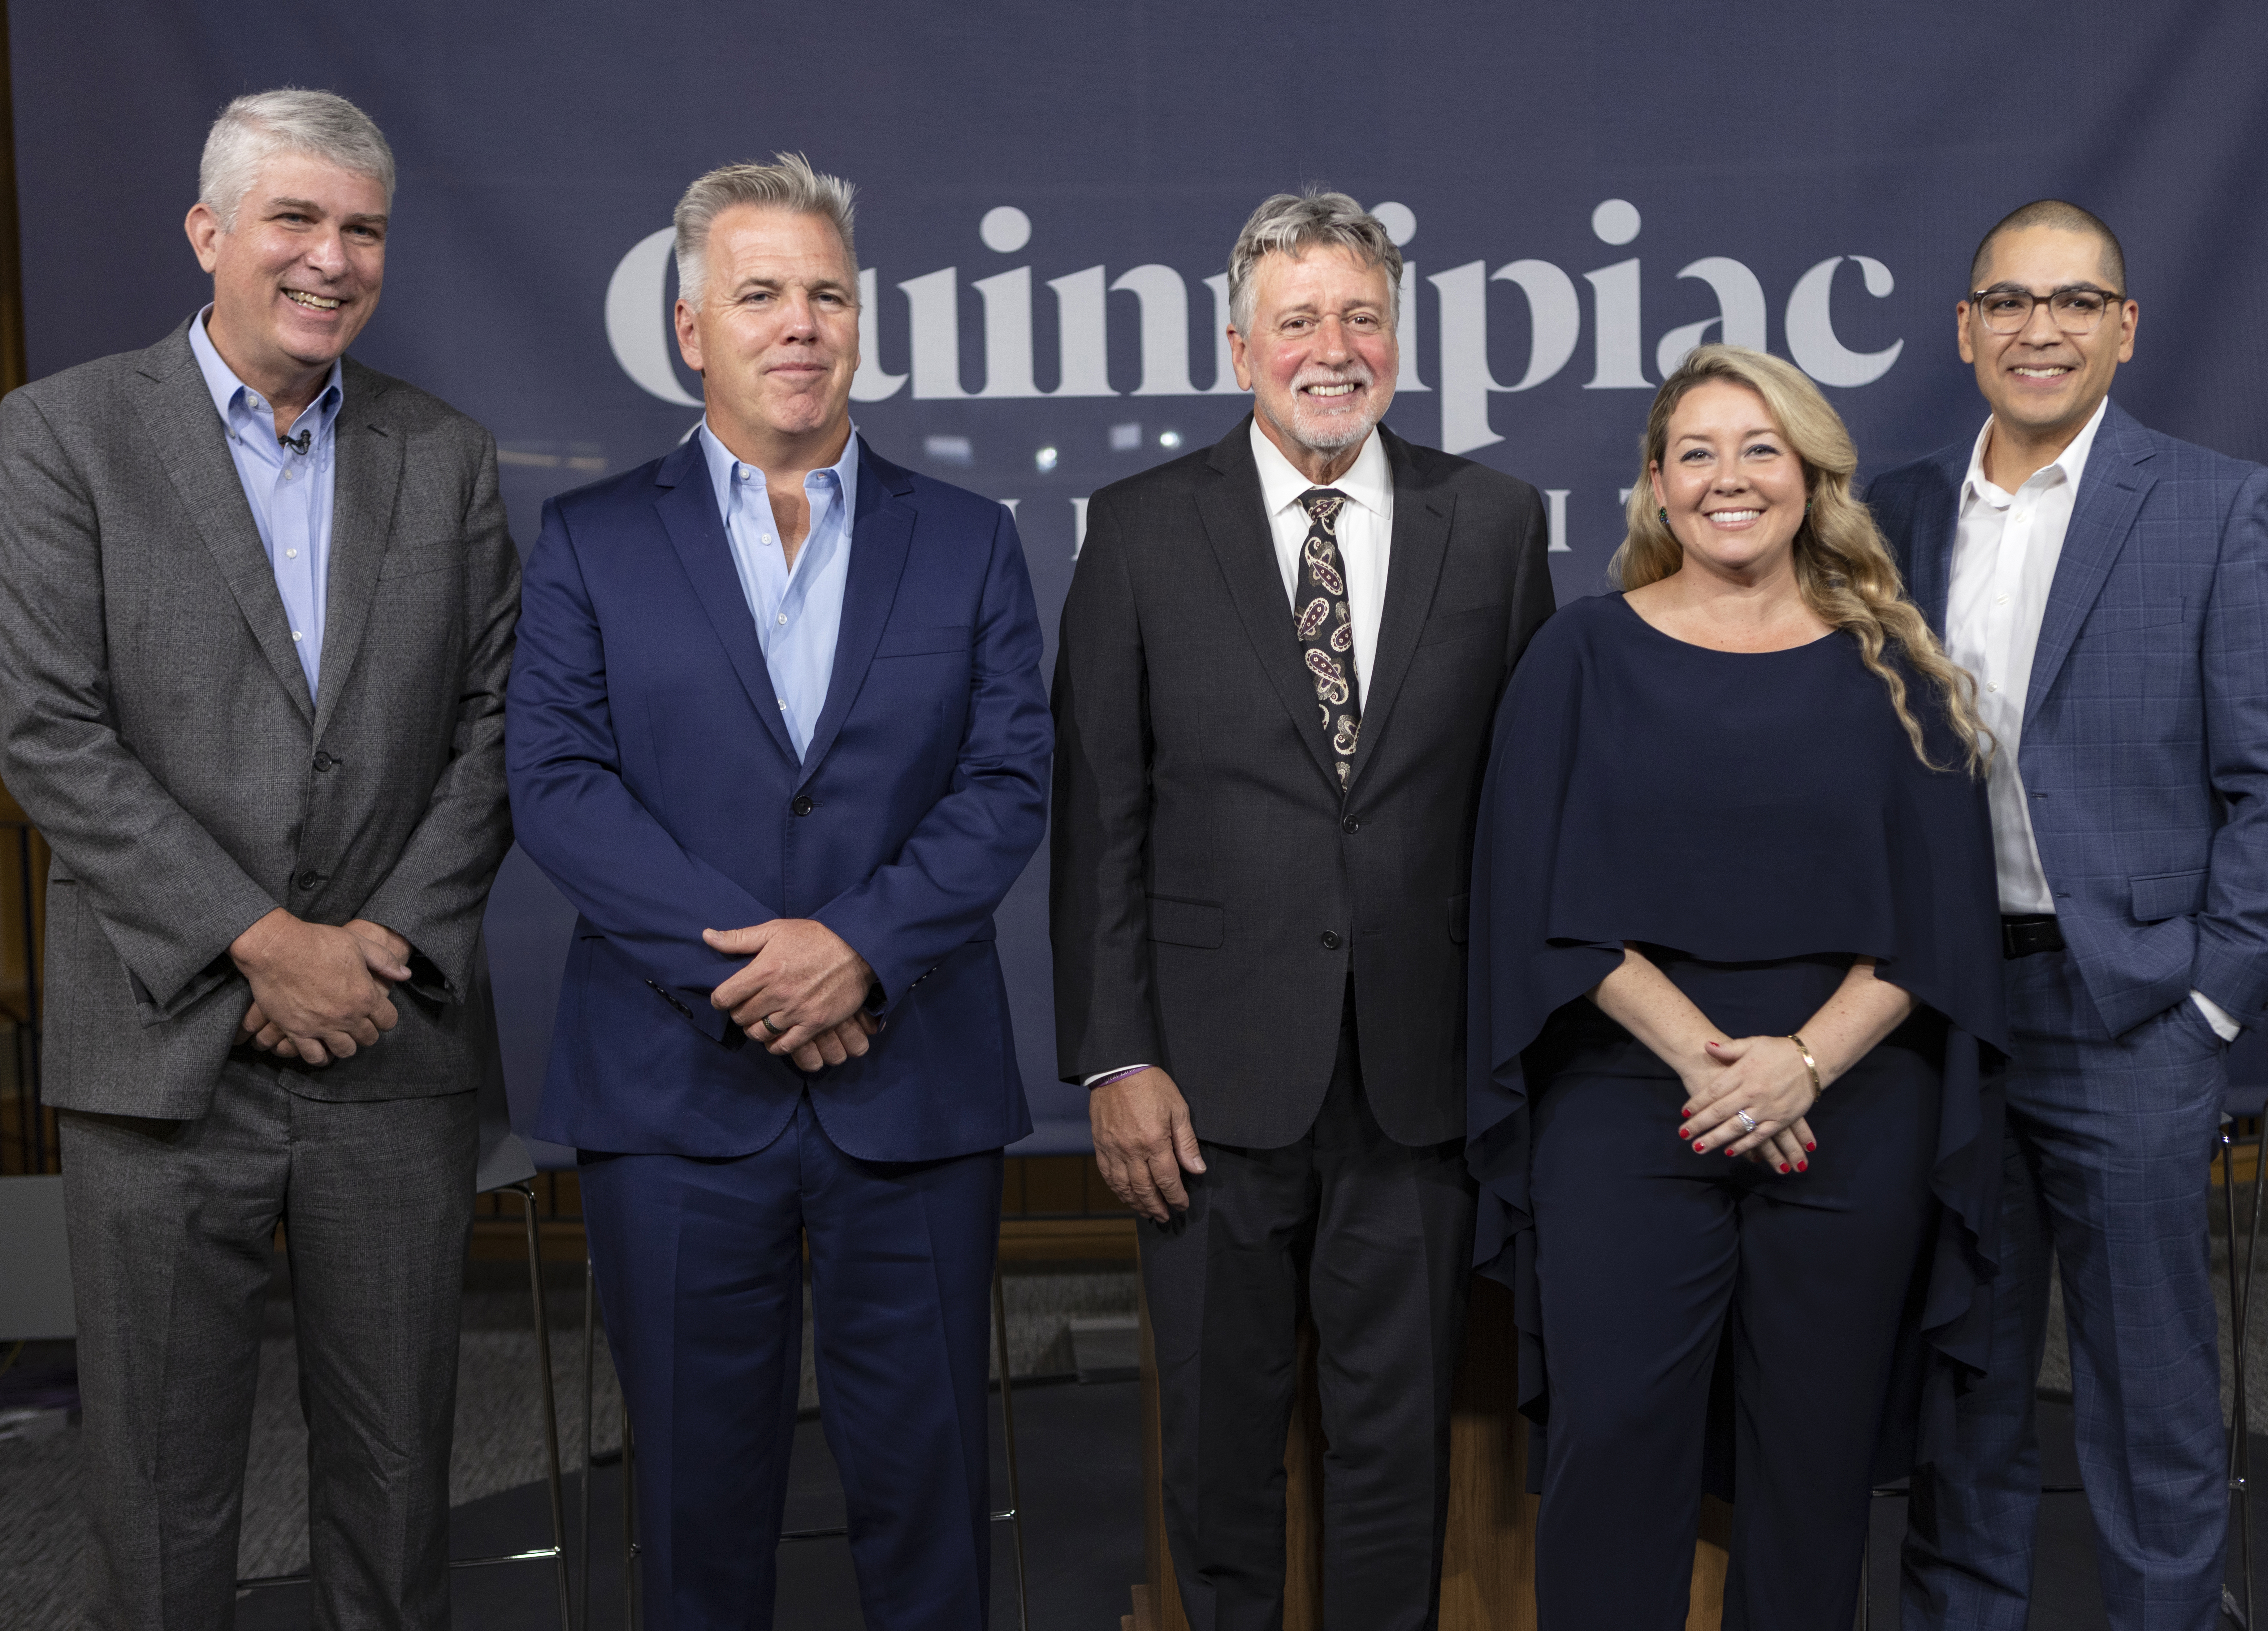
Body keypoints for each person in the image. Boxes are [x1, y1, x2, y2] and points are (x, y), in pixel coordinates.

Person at [506, 154, 1050, 1630]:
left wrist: (858, 951)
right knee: (691, 1509)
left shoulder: (970, 539)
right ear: (693, 328)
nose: (799, 323)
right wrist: (756, 971)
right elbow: (554, 781)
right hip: (673, 1093)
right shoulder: (590, 541)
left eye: (825, 293)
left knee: (933, 1500)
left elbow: (1007, 783)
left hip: (914, 1082)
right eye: (761, 294)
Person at [0, 90, 518, 1627]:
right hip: (161, 1054)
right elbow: (44, 729)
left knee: (398, 1485)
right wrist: (257, 939)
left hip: (385, 1035)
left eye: (363, 229)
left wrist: (374, 948)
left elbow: (497, 729)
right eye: (296, 219)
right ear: (209, 233)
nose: (332, 258)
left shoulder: (447, 454)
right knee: (158, 1495)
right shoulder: (58, 436)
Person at [1051, 187, 1556, 1630]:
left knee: (1394, 1454)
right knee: (1218, 1456)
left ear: (1396, 336)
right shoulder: (1140, 530)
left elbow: (1522, 814)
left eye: (1360, 317)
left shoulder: (1498, 526)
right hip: (1200, 1085)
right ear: (1236, 347)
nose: (1331, 348)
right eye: (1297, 321)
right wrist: (1116, 1055)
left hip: (1420, 1073)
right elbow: (1100, 812)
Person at [1466, 344, 2007, 1628]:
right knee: (1617, 1452)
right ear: (1656, 485)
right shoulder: (1578, 659)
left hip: (1852, 1108)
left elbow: (1942, 930)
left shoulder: (1900, 666)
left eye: (1761, 449)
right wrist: (1713, 1058)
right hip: (1628, 1105)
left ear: (1813, 478)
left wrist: (1800, 1063)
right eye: (1697, 453)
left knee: (1812, 1476)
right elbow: (1528, 900)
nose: (1730, 479)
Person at [1875, 201, 2268, 1631]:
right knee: (1965, 1381)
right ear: (1966, 327)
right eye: (2011, 300)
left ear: (2124, 327)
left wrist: (2210, 994)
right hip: (1943, 1016)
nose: (2042, 328)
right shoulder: (1896, 514)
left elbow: (2265, 780)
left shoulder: (2219, 506)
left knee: (2149, 1390)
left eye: (2076, 301)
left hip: (2130, 1015)